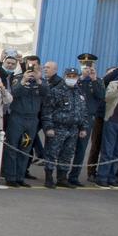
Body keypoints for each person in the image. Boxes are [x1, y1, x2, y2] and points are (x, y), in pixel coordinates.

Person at [40, 61, 89, 189]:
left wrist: (83, 127)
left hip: (73, 129)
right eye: (69, 76)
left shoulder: (79, 93)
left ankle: (62, 178)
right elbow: (47, 111)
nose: (71, 78)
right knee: (52, 153)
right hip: (57, 128)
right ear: (65, 76)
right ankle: (49, 178)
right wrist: (48, 127)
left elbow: (83, 111)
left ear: (77, 77)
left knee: (67, 154)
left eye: (74, 76)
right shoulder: (56, 91)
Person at [1, 61, 43, 187]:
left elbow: (47, 92)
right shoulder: (18, 79)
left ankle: (20, 176)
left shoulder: (40, 81)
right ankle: (10, 176)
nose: (32, 70)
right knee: (12, 146)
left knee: (26, 148)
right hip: (17, 117)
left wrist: (38, 80)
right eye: (31, 67)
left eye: (35, 67)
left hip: (32, 119)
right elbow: (14, 92)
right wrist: (24, 80)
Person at [69, 54, 105, 186]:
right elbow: (67, 90)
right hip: (72, 117)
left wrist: (94, 79)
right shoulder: (74, 78)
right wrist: (82, 77)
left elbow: (102, 95)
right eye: (84, 66)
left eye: (89, 66)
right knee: (67, 147)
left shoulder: (97, 81)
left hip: (87, 118)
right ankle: (62, 175)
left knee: (81, 148)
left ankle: (74, 176)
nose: (87, 68)